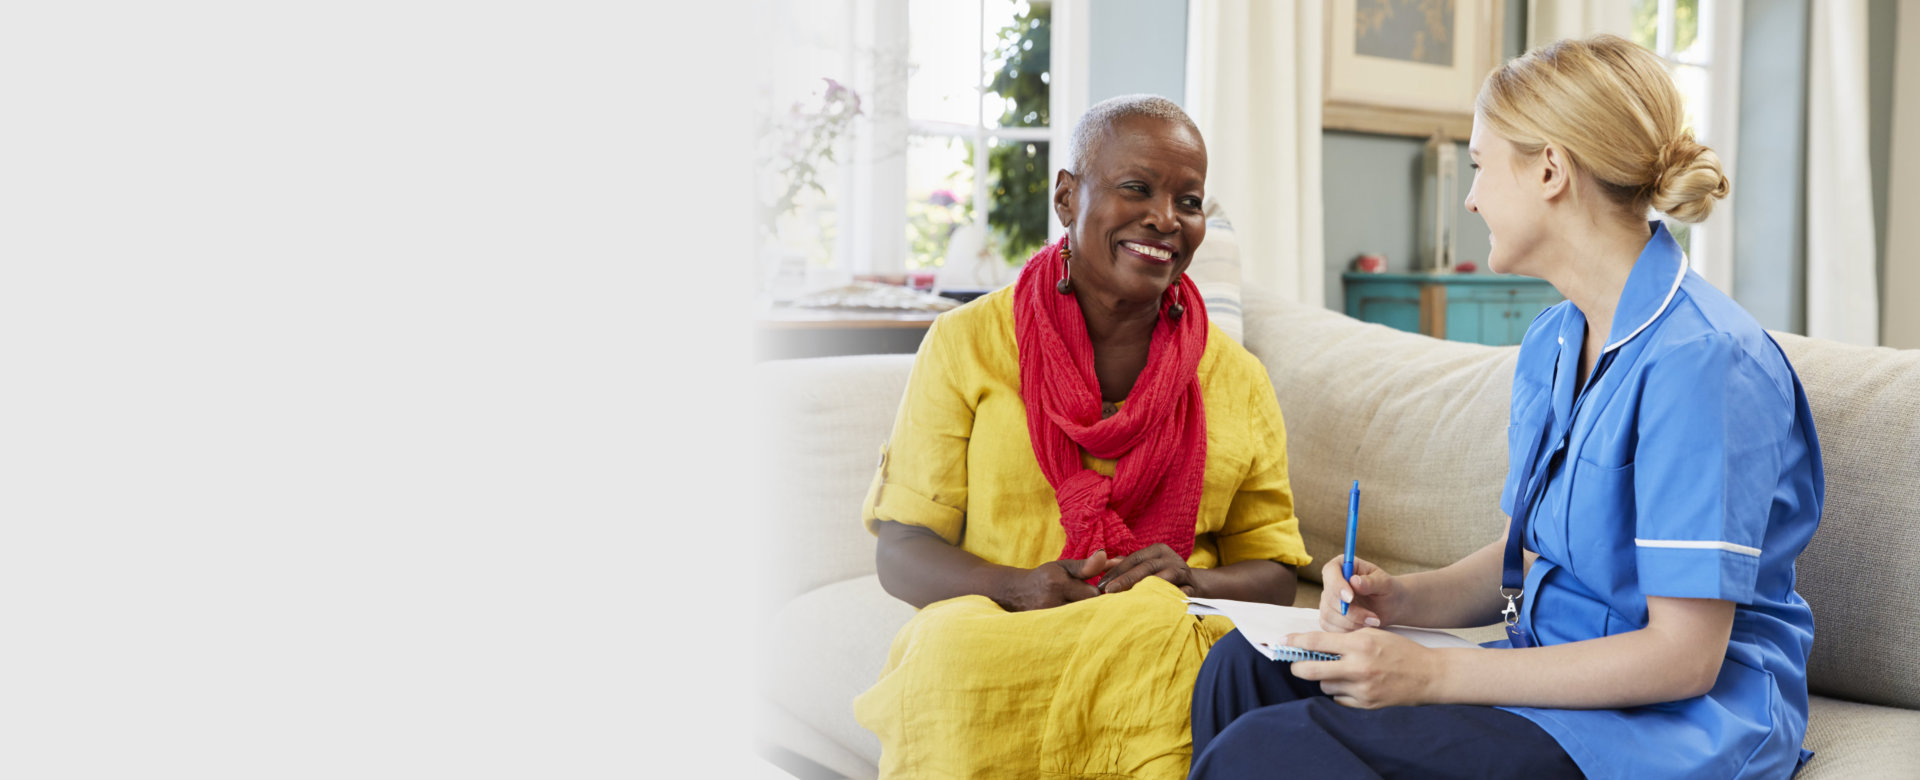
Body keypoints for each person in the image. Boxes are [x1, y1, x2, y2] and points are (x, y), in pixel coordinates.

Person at [1187, 35, 1823, 780]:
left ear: (1551, 169)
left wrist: (1430, 676)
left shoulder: (1704, 363)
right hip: (1547, 676)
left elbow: (1683, 658)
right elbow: (1529, 557)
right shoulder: (1556, 341)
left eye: (1483, 164)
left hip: (1669, 724)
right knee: (1242, 669)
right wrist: (1400, 602)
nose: (1472, 194)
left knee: (1267, 752)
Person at [852, 94, 1311, 779]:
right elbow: (903, 550)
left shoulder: (1236, 378)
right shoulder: (968, 344)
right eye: (1137, 189)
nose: (1165, 218)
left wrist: (1192, 579)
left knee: (1159, 636)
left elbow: (1275, 572)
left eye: (1189, 201)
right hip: (1000, 621)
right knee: (944, 655)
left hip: (1157, 630)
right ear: (1067, 198)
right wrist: (1017, 586)